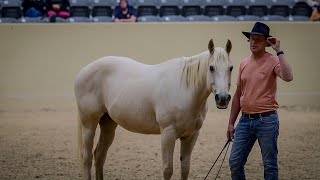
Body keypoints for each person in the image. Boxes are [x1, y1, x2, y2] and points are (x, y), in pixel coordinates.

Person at [227, 22, 293, 180]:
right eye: (251, 38)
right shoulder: (243, 63)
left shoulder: (273, 60)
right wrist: (231, 123)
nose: (254, 42)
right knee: (235, 162)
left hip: (267, 121)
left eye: (258, 39)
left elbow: (288, 77)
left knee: (270, 165)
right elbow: (237, 95)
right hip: (245, 120)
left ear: (266, 42)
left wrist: (279, 51)